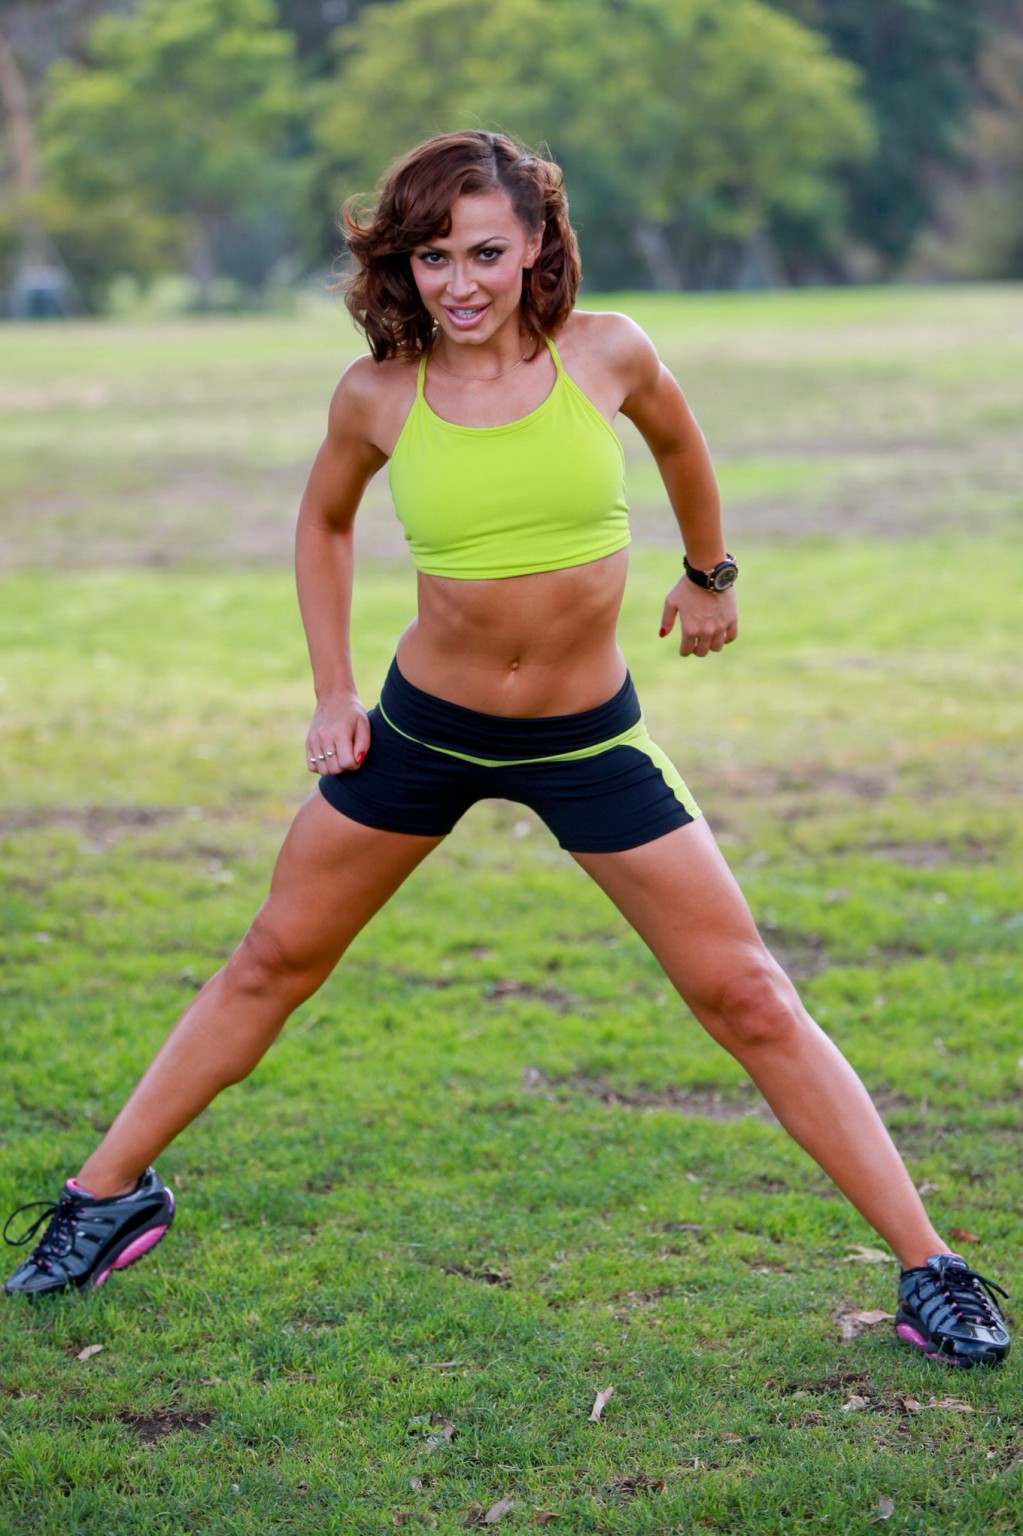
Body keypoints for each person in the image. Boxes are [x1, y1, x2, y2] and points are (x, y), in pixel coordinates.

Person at [3, 132, 1010, 1368]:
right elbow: (322, 524)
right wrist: (332, 690)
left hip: (589, 741)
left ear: (537, 245)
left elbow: (684, 451)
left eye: (485, 251)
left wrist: (711, 575)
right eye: (433, 256)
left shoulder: (610, 352)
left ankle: (933, 1268)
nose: (460, 282)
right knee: (274, 957)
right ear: (405, 264)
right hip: (425, 729)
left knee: (746, 990)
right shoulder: (379, 392)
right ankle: (108, 1197)